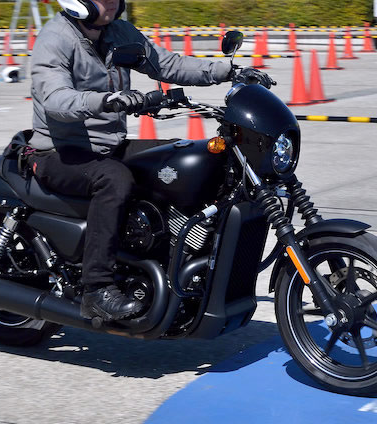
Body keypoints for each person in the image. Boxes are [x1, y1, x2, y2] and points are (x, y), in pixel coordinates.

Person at [27, 0, 272, 323]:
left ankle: (180, 262)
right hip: (58, 152)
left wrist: (228, 71)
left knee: (185, 158)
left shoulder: (118, 32)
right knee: (114, 179)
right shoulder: (55, 38)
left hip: (107, 146)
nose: (113, 1)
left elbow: (166, 65)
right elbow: (55, 99)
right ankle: (96, 289)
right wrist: (108, 100)